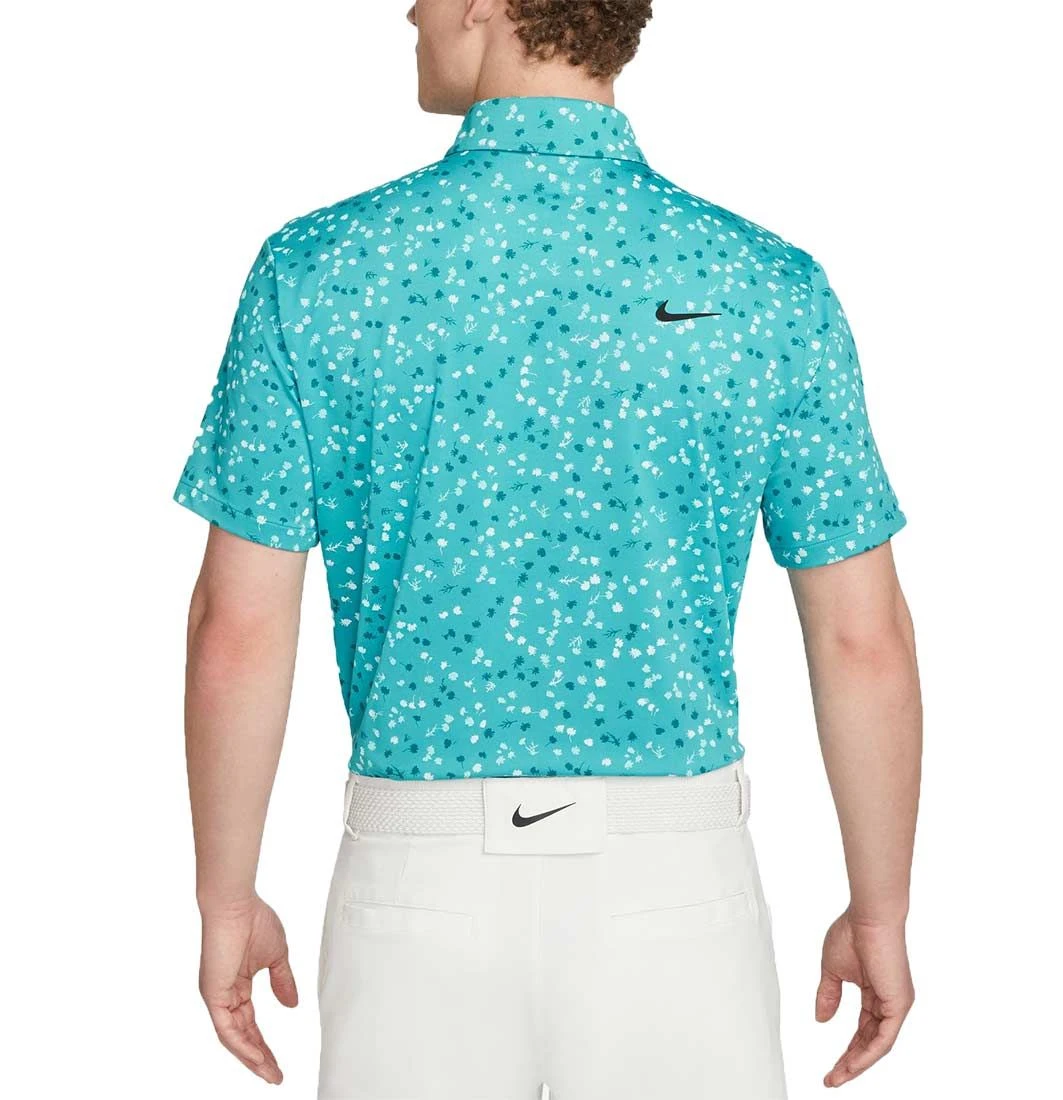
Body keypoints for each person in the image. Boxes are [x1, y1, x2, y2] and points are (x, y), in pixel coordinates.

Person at [172, 2, 922, 1097]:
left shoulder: (320, 269)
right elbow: (863, 639)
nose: (410, 8)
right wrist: (880, 911)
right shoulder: (766, 283)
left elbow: (233, 630)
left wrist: (225, 902)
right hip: (677, 889)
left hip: (415, 886)